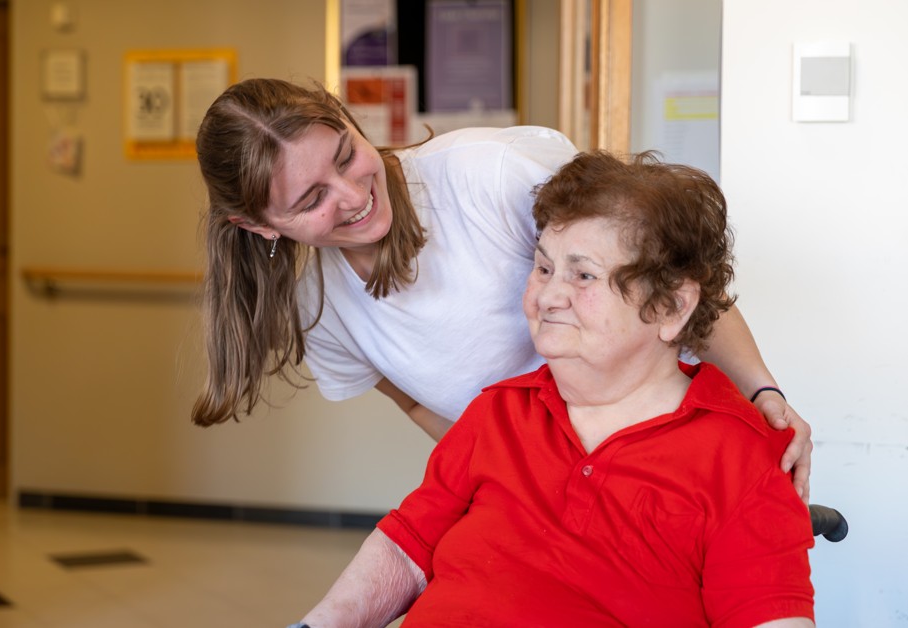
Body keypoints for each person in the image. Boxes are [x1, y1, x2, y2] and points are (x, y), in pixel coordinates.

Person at [193, 78, 812, 501]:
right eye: (311, 199)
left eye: (346, 155)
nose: (354, 195)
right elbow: (417, 404)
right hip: (548, 489)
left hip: (666, 450)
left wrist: (762, 391)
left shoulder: (489, 177)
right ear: (255, 225)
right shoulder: (320, 312)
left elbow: (675, 281)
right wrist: (518, 480)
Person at [294, 150, 815, 627]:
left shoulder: (740, 456)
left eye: (583, 277)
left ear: (669, 308)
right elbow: (406, 547)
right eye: (543, 267)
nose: (548, 296)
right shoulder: (497, 413)